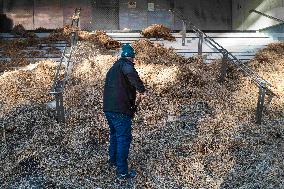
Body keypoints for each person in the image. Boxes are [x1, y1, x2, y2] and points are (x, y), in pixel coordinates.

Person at [103, 44, 146, 181]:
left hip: (108, 109)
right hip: (120, 110)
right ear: (130, 57)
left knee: (115, 135)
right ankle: (122, 172)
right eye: (133, 58)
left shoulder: (112, 68)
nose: (133, 61)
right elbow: (131, 73)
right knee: (123, 138)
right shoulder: (126, 65)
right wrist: (142, 90)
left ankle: (113, 161)